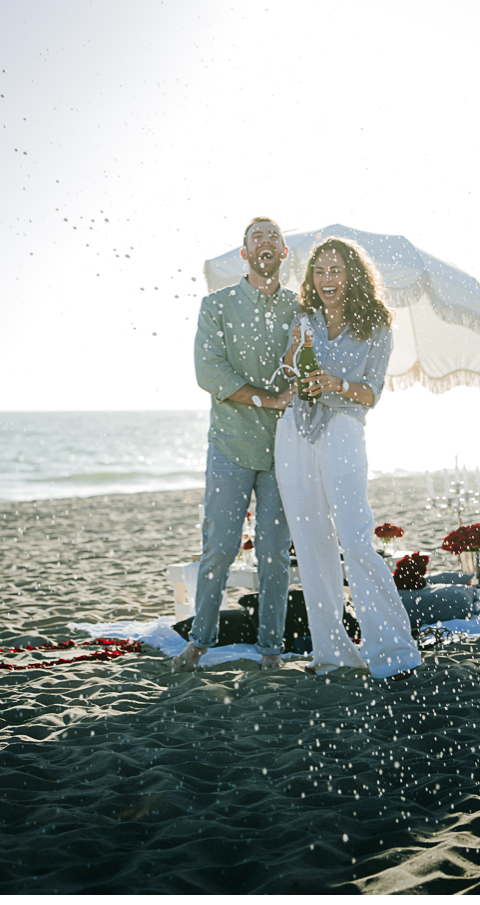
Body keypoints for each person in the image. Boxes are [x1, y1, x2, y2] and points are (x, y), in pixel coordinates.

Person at [274, 237, 422, 680]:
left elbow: (372, 392)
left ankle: (393, 649)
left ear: (352, 274)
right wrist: (295, 358)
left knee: (356, 539)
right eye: (319, 272)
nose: (326, 279)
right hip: (295, 430)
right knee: (312, 543)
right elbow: (288, 370)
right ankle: (332, 652)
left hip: (342, 430)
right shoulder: (304, 319)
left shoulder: (377, 325)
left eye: (335, 270)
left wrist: (335, 383)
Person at [172, 218, 299, 672]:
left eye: (273, 237)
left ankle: (271, 651)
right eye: (256, 237)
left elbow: (305, 367)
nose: (265, 241)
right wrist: (268, 399)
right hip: (229, 445)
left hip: (283, 450)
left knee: (273, 555)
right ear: (244, 254)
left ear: (284, 252)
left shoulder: (299, 309)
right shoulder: (217, 306)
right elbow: (210, 374)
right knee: (219, 548)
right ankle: (199, 642)